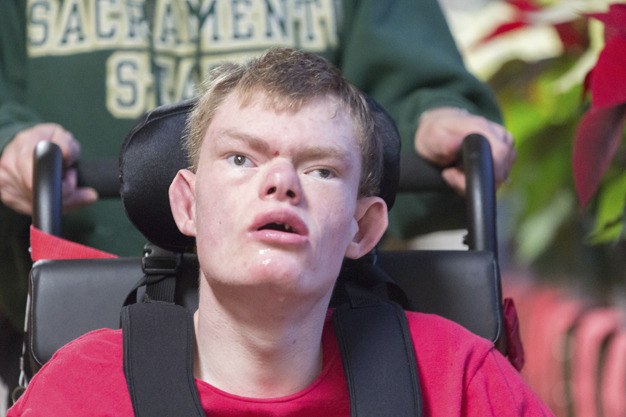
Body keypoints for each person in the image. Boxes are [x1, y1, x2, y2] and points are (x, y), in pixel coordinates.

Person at [0, 0, 515, 403]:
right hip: (85, 273)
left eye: (316, 169)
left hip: (339, 317)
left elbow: (415, 71)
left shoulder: (461, 381)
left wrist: (436, 112)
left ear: (364, 225)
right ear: (186, 201)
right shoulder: (73, 393)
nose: (280, 182)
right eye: (243, 160)